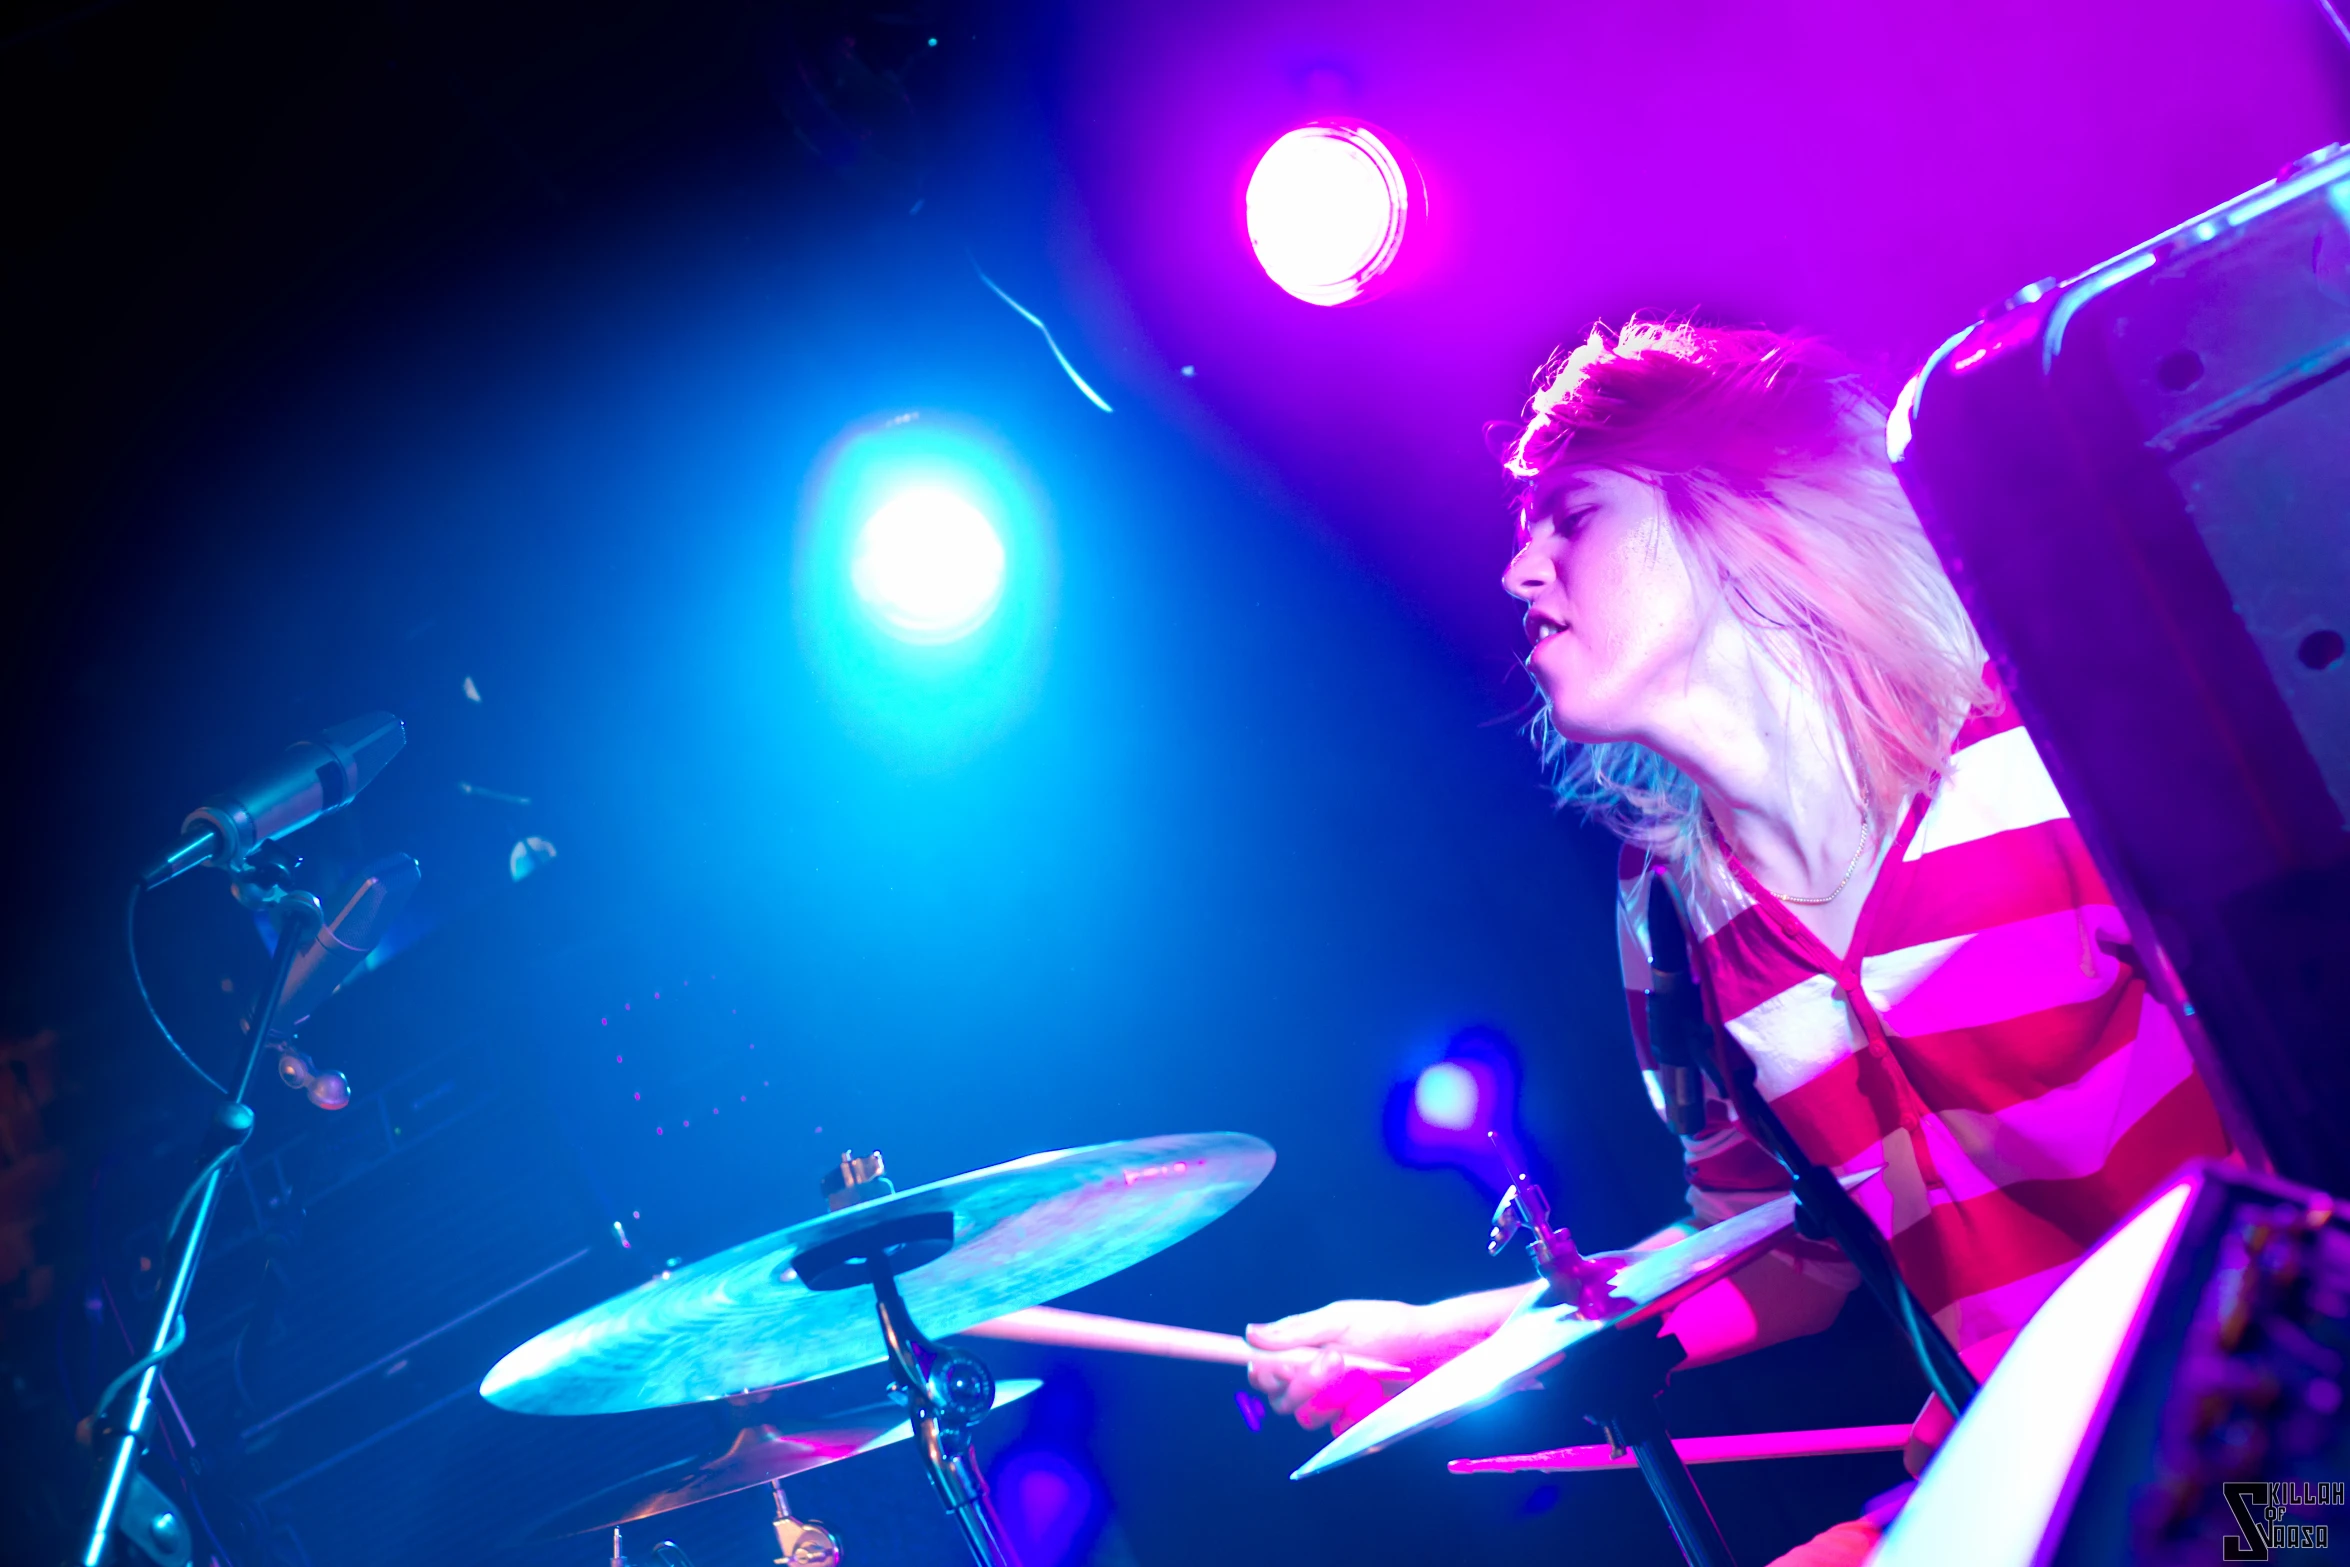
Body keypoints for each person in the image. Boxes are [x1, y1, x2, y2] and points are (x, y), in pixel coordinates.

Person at [1242, 318, 2235, 1565]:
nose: (1519, 572)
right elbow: (1786, 1253)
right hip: (2003, 1476)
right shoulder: (1667, 917)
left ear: (1739, 511)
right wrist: (1441, 1339)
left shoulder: (2045, 760)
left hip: (2269, 1457)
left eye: (1573, 516)